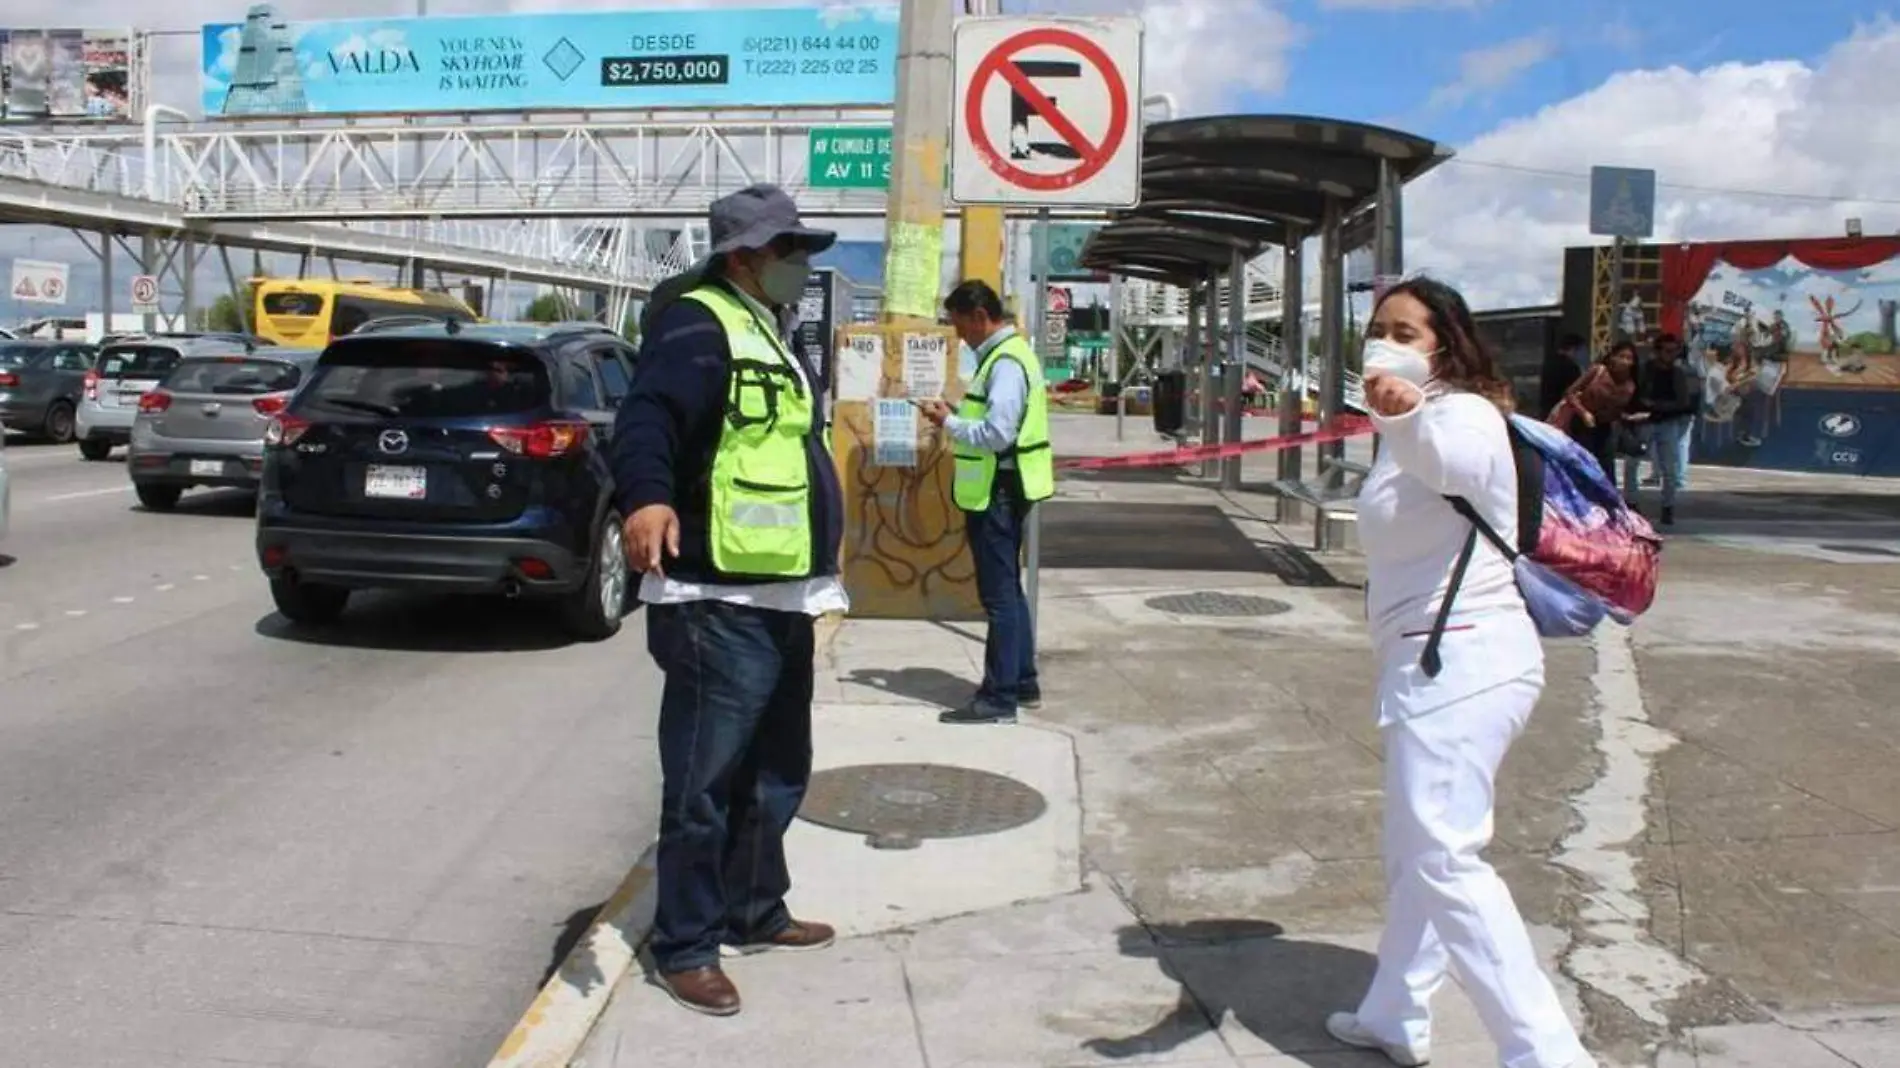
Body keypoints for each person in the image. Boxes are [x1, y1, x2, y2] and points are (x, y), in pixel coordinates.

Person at [1325, 277, 1596, 1068]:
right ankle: (1395, 1010)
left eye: (1406, 330)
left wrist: (1400, 414)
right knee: (1418, 852)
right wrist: (1396, 418)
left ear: (1445, 341)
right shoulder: (1413, 420)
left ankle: (1545, 1053)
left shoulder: (1463, 415)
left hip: (1465, 663)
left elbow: (1449, 462)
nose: (1385, 341)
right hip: (1431, 664)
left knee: (1443, 855)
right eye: (1378, 327)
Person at [610, 183, 844, 1017]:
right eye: (790, 251)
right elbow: (646, 418)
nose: (801, 265)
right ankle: (687, 944)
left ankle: (754, 909)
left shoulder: (769, 330)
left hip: (779, 592)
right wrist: (645, 497)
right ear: (744, 256)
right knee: (703, 782)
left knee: (778, 771)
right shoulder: (698, 320)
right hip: (714, 594)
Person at [918, 279, 1053, 725]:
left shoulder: (1006, 362)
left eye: (962, 327)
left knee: (998, 598)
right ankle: (1023, 680)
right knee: (1010, 594)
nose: (961, 338)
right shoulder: (1008, 356)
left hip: (997, 491)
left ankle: (998, 697)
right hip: (1006, 488)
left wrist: (949, 422)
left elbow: (997, 434)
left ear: (980, 317)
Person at [1623, 332, 1697, 526]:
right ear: (1657, 351)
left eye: (1675, 351)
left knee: (1669, 468)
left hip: (1666, 423)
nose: (1671, 355)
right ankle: (1630, 502)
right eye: (1667, 351)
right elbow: (1636, 396)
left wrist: (1654, 407)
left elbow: (1682, 402)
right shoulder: (1644, 371)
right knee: (1632, 463)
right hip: (1644, 422)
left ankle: (1668, 507)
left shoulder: (1678, 374)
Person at [1549, 340, 1637, 476]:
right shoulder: (1598, 371)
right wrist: (1583, 413)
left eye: (1628, 358)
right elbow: (1570, 393)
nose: (1624, 361)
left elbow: (1621, 410)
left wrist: (1626, 417)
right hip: (1582, 423)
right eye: (1621, 356)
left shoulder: (1630, 385)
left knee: (1606, 468)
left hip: (1605, 427)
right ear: (1612, 357)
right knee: (1582, 463)